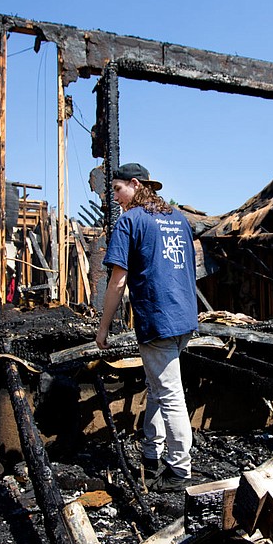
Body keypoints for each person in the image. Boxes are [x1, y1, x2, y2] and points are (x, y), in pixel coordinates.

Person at [95, 163, 199, 492]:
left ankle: (180, 469)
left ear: (135, 184)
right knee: (156, 387)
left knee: (169, 395)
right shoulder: (178, 218)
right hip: (184, 317)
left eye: (117, 189)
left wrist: (103, 328)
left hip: (158, 318)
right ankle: (151, 454)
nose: (114, 197)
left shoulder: (131, 220)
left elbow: (118, 280)